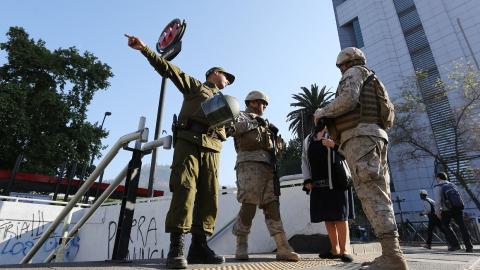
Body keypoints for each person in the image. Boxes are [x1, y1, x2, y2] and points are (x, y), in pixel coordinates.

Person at [125, 34, 236, 269]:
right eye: (226, 77)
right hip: (189, 141)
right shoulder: (196, 86)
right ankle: (176, 248)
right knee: (184, 188)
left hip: (213, 149)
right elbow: (169, 69)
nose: (228, 81)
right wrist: (144, 49)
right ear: (215, 73)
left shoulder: (226, 102)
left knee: (209, 195)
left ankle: (199, 247)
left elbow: (232, 129)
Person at [314, 47, 408, 270]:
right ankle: (391, 254)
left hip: (360, 139)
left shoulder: (353, 73)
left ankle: (393, 257)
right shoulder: (373, 77)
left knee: (372, 196)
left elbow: (348, 100)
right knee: (380, 195)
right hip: (374, 138)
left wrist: (323, 112)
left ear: (344, 63)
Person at [231, 91, 300, 262]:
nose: (265, 107)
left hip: (268, 167)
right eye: (263, 103)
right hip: (248, 165)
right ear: (253, 102)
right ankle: (241, 245)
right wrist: (254, 122)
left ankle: (283, 247)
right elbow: (232, 130)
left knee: (272, 206)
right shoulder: (241, 116)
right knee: (249, 205)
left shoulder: (268, 124)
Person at [301, 125, 355, 263]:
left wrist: (334, 146)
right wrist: (307, 179)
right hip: (319, 185)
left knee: (340, 217)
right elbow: (304, 159)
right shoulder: (309, 139)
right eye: (316, 117)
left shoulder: (337, 134)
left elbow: (350, 151)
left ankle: (344, 251)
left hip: (337, 182)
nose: (319, 119)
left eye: (322, 116)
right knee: (328, 218)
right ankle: (334, 249)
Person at [434, 172, 474, 253]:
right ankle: (469, 246)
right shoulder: (453, 185)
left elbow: (437, 201)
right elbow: (460, 196)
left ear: (438, 178)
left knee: (446, 225)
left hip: (446, 210)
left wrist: (437, 211)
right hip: (457, 209)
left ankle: (455, 244)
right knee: (462, 227)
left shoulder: (438, 187)